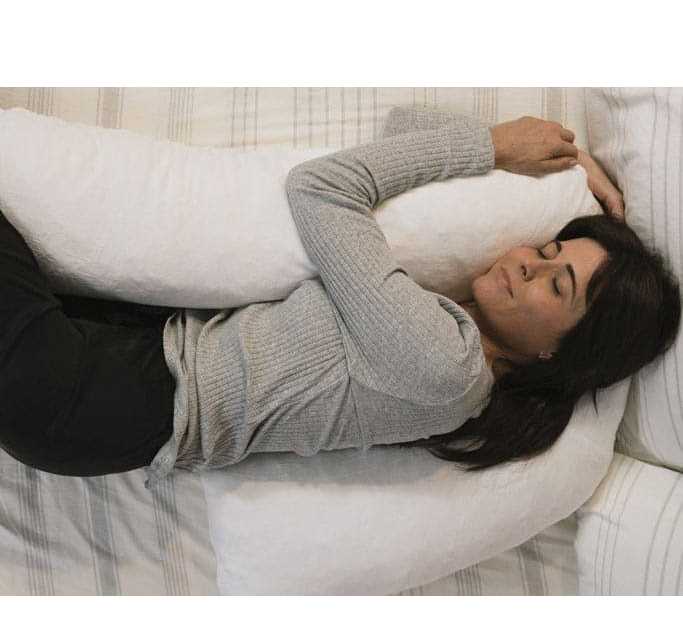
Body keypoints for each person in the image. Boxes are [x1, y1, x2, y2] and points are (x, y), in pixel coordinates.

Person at [0, 106, 678, 486]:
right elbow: (403, 128)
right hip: (120, 354)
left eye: (557, 284)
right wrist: (559, 162)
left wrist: (493, 144)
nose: (526, 262)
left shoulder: (443, 362)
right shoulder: (445, 325)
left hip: (96, 393)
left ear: (563, 352)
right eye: (549, 249)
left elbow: (319, 190)